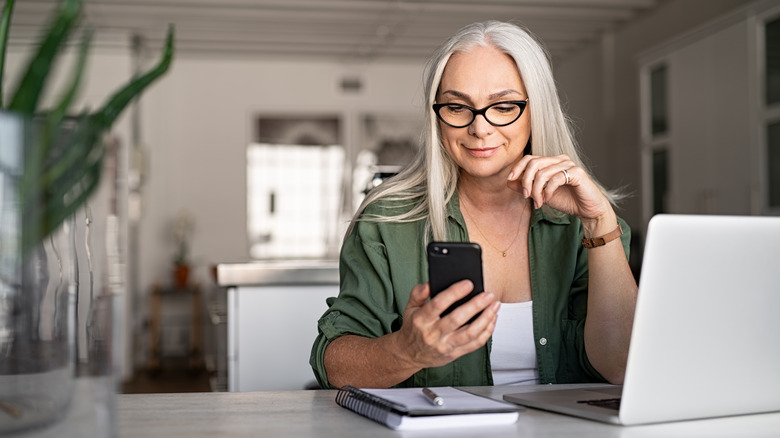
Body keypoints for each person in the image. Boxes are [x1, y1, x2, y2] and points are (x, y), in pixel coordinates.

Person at [310, 21, 637, 389]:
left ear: (536, 110)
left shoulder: (589, 225)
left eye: (503, 106)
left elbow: (622, 366)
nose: (479, 128)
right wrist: (406, 351)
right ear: (438, 117)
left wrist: (599, 223)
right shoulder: (386, 220)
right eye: (457, 107)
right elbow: (334, 365)